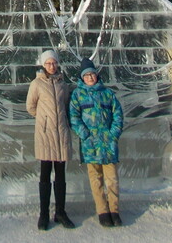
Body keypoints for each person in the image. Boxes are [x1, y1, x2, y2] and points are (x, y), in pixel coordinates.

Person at [69, 57, 123, 227]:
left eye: (92, 74)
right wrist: (84, 134)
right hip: (90, 145)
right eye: (86, 75)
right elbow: (74, 116)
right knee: (96, 179)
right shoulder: (78, 95)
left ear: (96, 75)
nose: (90, 77)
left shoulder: (108, 94)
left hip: (108, 144)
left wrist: (113, 133)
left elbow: (118, 115)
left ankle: (114, 210)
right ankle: (102, 211)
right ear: (82, 78)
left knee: (112, 179)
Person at [26, 50, 75, 231]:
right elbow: (30, 106)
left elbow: (66, 105)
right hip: (46, 134)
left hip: (61, 133)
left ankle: (60, 212)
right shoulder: (37, 83)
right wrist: (44, 119)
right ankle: (44, 213)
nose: (51, 66)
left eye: (54, 63)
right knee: (45, 173)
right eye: (48, 63)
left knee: (61, 174)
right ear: (43, 65)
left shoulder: (63, 84)